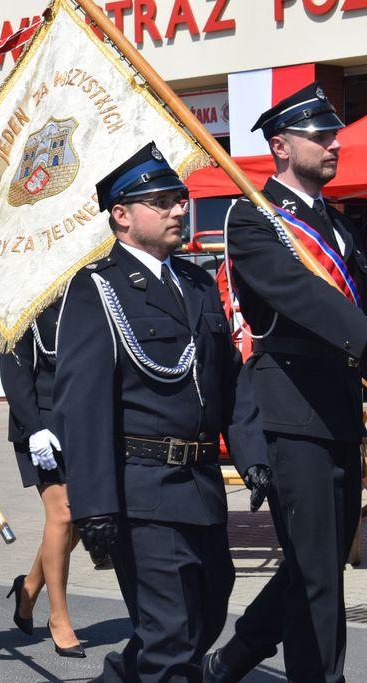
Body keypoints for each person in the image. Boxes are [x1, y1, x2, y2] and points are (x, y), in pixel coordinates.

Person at [53, 142, 271, 682]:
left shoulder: (196, 282)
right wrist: (94, 504)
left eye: (180, 198)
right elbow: (82, 407)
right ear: (122, 216)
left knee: (205, 614)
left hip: (200, 486)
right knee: (171, 639)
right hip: (142, 492)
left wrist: (253, 456)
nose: (179, 209)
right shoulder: (96, 289)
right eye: (163, 201)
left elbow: (228, 381)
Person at [205, 83, 367, 683]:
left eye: (334, 136)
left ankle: (237, 655)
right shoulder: (253, 217)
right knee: (319, 572)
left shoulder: (337, 224)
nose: (333, 146)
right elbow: (303, 299)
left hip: (342, 409)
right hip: (292, 409)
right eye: (320, 137)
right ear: (280, 146)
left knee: (315, 562)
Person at [0, 298, 85, 659]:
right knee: (63, 513)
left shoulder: (92, 294)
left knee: (81, 516)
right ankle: (59, 618)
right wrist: (33, 428)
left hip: (86, 421)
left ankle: (30, 587)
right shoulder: (26, 299)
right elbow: (13, 369)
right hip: (42, 424)